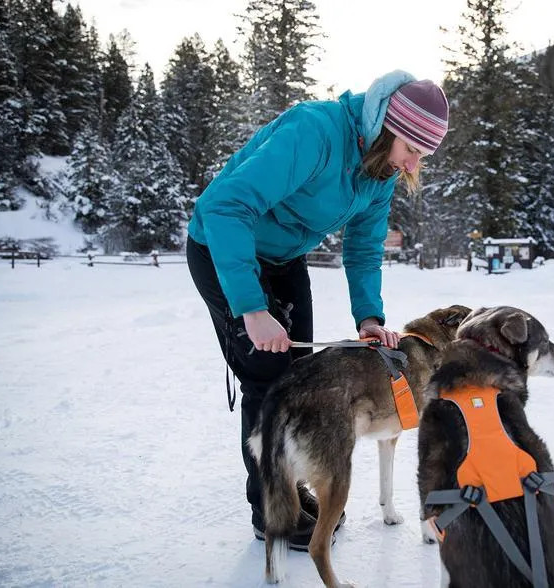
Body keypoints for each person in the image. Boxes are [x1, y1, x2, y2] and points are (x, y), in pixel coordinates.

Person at [185, 70, 449, 550]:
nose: (413, 164)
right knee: (267, 374)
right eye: (412, 148)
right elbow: (225, 207)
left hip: (283, 257)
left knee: (302, 376)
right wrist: (251, 306)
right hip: (222, 246)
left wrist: (369, 318)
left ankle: (291, 478)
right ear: (388, 126)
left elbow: (365, 248)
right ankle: (272, 506)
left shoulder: (380, 172)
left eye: (422, 156)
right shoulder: (315, 132)